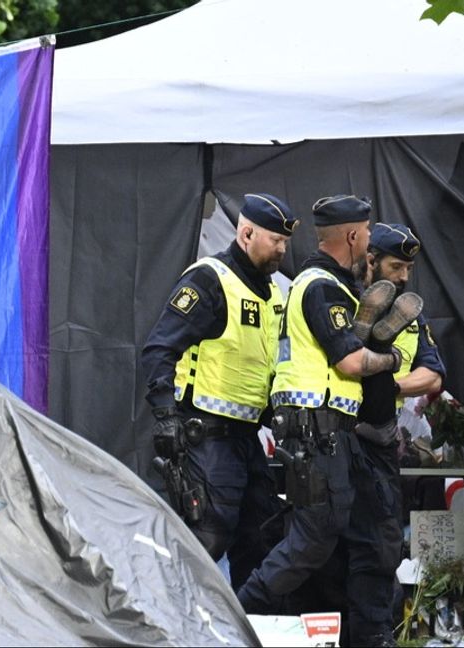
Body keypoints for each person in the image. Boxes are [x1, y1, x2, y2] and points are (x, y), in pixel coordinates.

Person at [235, 195, 418, 623]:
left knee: (336, 536)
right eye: (368, 233)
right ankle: (237, 614)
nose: (371, 240)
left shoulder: (331, 285)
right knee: (313, 539)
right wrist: (389, 361)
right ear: (354, 235)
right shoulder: (320, 286)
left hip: (327, 431)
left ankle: (326, 627)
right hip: (315, 432)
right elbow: (350, 364)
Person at [140, 192, 299, 588]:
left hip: (246, 438)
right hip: (204, 438)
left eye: (285, 242)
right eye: (274, 240)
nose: (282, 249)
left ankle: (249, 630)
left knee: (261, 540)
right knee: (205, 541)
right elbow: (159, 348)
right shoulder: (210, 279)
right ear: (246, 233)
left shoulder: (272, 293)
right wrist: (165, 417)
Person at [343, 222, 446, 646]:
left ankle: (374, 634)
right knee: (329, 543)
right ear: (370, 261)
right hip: (337, 435)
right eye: (396, 266)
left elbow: (434, 376)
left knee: (383, 542)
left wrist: (394, 386)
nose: (405, 276)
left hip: (381, 439)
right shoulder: (338, 299)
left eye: (408, 267)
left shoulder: (410, 314)